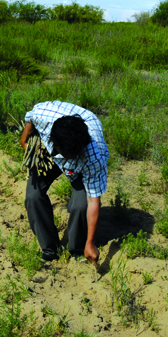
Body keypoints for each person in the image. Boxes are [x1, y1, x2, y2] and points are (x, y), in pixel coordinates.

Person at [20, 101, 109, 264]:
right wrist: (24, 139)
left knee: (81, 205)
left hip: (81, 163)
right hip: (50, 154)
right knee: (33, 197)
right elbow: (30, 117)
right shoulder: (44, 117)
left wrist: (90, 243)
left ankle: (78, 248)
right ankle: (49, 248)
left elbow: (93, 201)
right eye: (68, 154)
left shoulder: (94, 156)